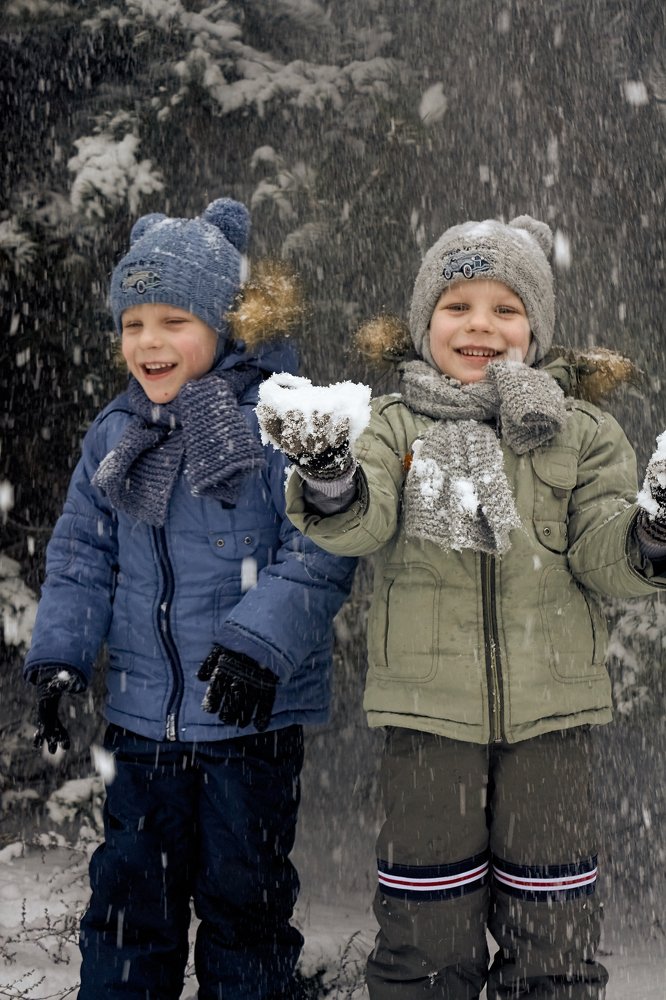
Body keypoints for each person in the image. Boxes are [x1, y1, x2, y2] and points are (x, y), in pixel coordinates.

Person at [255, 215, 666, 999]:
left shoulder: (580, 433)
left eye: (506, 309)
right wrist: (331, 473)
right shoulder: (390, 422)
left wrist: (654, 531)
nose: (481, 324)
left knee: (556, 925)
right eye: (458, 306)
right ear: (423, 323)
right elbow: (359, 520)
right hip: (426, 725)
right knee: (426, 928)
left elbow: (604, 553)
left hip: (553, 722)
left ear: (537, 331)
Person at [23, 197, 356, 1000]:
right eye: (133, 323)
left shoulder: (280, 421)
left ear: (223, 323)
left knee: (246, 908)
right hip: (143, 727)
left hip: (250, 721)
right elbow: (79, 554)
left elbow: (320, 550)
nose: (149, 342)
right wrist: (62, 656)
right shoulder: (117, 436)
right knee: (131, 908)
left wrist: (255, 647)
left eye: (173, 319)